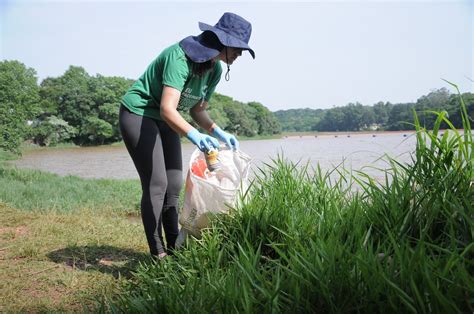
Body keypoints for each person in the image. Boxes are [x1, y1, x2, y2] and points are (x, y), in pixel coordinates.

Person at [119, 12, 255, 259]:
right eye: (238, 48)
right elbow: (167, 108)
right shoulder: (178, 57)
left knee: (174, 184)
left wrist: (217, 131)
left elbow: (197, 109)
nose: (240, 54)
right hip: (139, 114)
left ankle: (174, 248)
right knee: (157, 183)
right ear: (223, 42)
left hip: (167, 120)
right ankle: (157, 252)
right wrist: (195, 136)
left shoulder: (213, 70)